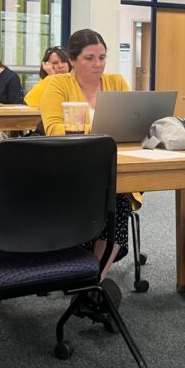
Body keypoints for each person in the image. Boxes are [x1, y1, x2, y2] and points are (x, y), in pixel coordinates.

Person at [39, 29, 135, 277]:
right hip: (68, 166)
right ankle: (91, 279)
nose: (98, 64)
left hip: (110, 164)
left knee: (119, 196)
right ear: (72, 60)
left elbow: (131, 123)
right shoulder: (57, 84)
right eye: (89, 58)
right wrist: (98, 127)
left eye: (102, 57)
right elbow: (54, 130)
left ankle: (93, 278)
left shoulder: (116, 83)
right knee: (111, 196)